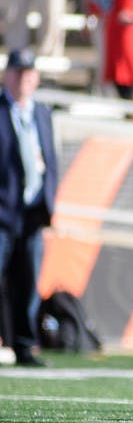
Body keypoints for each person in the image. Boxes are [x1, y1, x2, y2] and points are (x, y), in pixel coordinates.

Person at [0, 48, 58, 366]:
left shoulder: (42, 113)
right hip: (3, 210)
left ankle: (24, 345)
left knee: (28, 282)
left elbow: (50, 158)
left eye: (28, 73)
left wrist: (49, 199)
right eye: (17, 72)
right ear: (6, 76)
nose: (22, 78)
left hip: (32, 212)